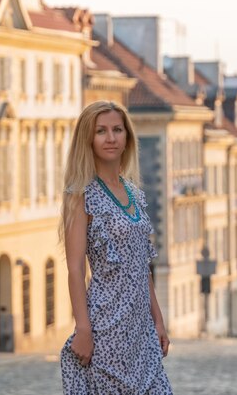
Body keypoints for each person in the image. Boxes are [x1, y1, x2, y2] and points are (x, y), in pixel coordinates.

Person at [59, 100, 173, 394]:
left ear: (127, 138)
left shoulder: (134, 194)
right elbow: (74, 269)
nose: (110, 138)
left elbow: (141, 264)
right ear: (89, 139)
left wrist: (157, 320)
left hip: (141, 328)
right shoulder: (80, 195)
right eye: (101, 131)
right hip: (106, 325)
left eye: (117, 130)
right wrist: (83, 328)